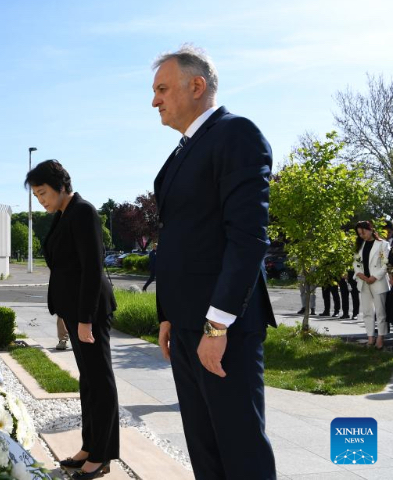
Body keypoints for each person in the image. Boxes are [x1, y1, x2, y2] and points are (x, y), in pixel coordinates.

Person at [151, 45, 276, 479]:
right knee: (205, 452)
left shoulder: (236, 134)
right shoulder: (185, 151)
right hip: (186, 326)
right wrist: (167, 315)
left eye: (163, 89)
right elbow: (181, 240)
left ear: (197, 85)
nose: (155, 101)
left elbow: (247, 240)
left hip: (223, 328)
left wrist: (217, 325)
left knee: (240, 452)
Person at [25, 159, 118, 479]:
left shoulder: (83, 211)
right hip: (75, 311)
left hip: (88, 312)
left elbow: (93, 268)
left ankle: (103, 456)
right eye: (36, 196)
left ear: (61, 186)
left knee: (101, 382)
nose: (41, 200)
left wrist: (86, 319)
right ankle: (90, 447)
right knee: (89, 382)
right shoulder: (64, 214)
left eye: (43, 193)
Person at [353, 220, 390, 349]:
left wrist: (374, 277)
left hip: (378, 281)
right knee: (367, 311)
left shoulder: (383, 244)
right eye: (359, 233)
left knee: (380, 311)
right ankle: (370, 337)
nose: (361, 235)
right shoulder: (359, 245)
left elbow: (386, 264)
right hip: (364, 282)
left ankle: (380, 337)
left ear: (370, 229)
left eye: (363, 232)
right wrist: (360, 274)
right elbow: (355, 263)